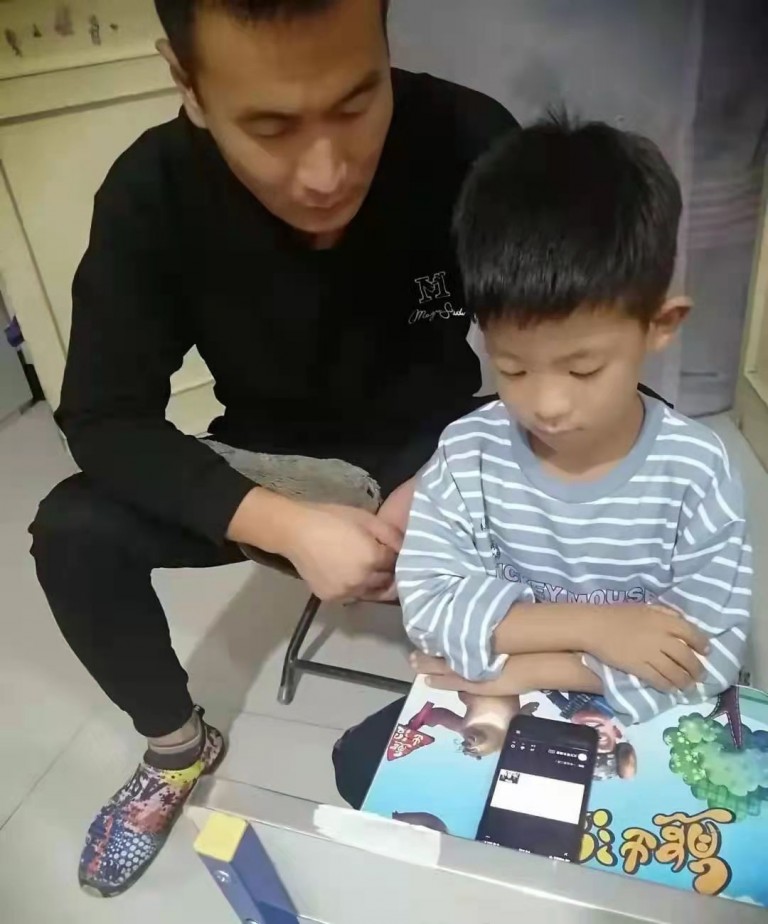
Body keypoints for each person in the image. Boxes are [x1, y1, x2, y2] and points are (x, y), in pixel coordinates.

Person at [29, 0, 519, 898]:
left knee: (629, 428)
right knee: (73, 530)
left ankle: (564, 703)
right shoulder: (153, 191)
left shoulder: (469, 138)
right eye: (270, 127)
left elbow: (561, 337)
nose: (326, 173)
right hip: (275, 464)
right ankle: (177, 748)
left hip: (442, 441)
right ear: (187, 84)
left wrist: (452, 469)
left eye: (356, 103)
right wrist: (286, 526)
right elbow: (102, 416)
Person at [333, 115, 752, 806]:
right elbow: (429, 609)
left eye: (583, 369)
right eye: (513, 368)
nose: (546, 405)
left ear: (660, 325)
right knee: (362, 769)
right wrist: (598, 630)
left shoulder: (695, 470)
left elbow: (709, 658)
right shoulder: (469, 452)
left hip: (636, 716)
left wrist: (516, 669)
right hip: (521, 698)